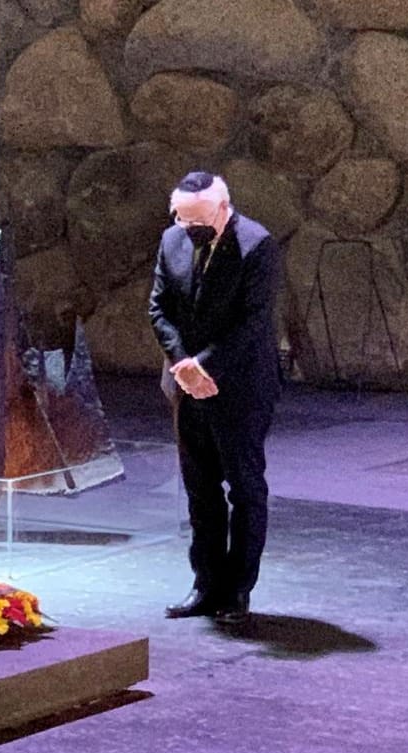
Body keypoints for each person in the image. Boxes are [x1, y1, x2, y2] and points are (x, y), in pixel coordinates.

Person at [148, 172, 281, 628]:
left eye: (198, 220)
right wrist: (183, 363)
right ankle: (205, 585)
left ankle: (237, 588)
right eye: (183, 219)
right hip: (185, 385)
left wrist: (206, 365)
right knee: (200, 490)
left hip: (239, 385)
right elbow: (158, 307)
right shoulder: (172, 239)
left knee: (244, 487)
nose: (190, 229)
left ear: (223, 210)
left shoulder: (255, 244)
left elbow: (254, 319)